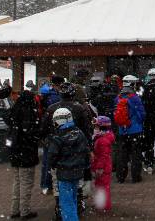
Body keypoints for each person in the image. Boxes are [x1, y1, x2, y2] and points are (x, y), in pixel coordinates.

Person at [40, 82, 93, 218]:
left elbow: (43, 130)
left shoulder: (52, 108)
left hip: (57, 150)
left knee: (58, 182)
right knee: (76, 182)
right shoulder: (79, 108)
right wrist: (88, 148)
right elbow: (87, 131)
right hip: (76, 150)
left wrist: (48, 143)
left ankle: (62, 207)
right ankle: (76, 205)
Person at [47, 108, 90, 221]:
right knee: (73, 199)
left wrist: (53, 165)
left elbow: (51, 156)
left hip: (64, 174)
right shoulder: (79, 133)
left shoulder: (58, 138)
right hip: (77, 172)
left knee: (66, 203)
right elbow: (86, 151)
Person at [5, 90, 41, 220]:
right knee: (26, 182)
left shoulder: (14, 111)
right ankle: (24, 211)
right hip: (26, 152)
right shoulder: (29, 113)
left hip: (15, 151)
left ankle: (15, 209)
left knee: (17, 181)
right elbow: (32, 134)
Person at [113, 75, 146, 184]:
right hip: (135, 130)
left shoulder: (118, 97)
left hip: (122, 130)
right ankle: (135, 176)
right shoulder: (135, 98)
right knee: (136, 153)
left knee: (122, 154)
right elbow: (141, 114)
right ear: (132, 84)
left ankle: (120, 176)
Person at [39, 76, 64, 195]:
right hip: (55, 132)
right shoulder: (55, 98)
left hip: (48, 132)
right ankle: (49, 184)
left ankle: (45, 184)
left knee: (46, 160)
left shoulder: (46, 95)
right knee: (51, 159)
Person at [91, 116, 115, 212]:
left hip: (103, 168)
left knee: (103, 187)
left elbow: (103, 156)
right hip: (103, 167)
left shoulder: (102, 140)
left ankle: (104, 206)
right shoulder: (102, 138)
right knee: (101, 186)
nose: (95, 129)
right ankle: (101, 204)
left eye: (96, 127)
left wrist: (99, 168)